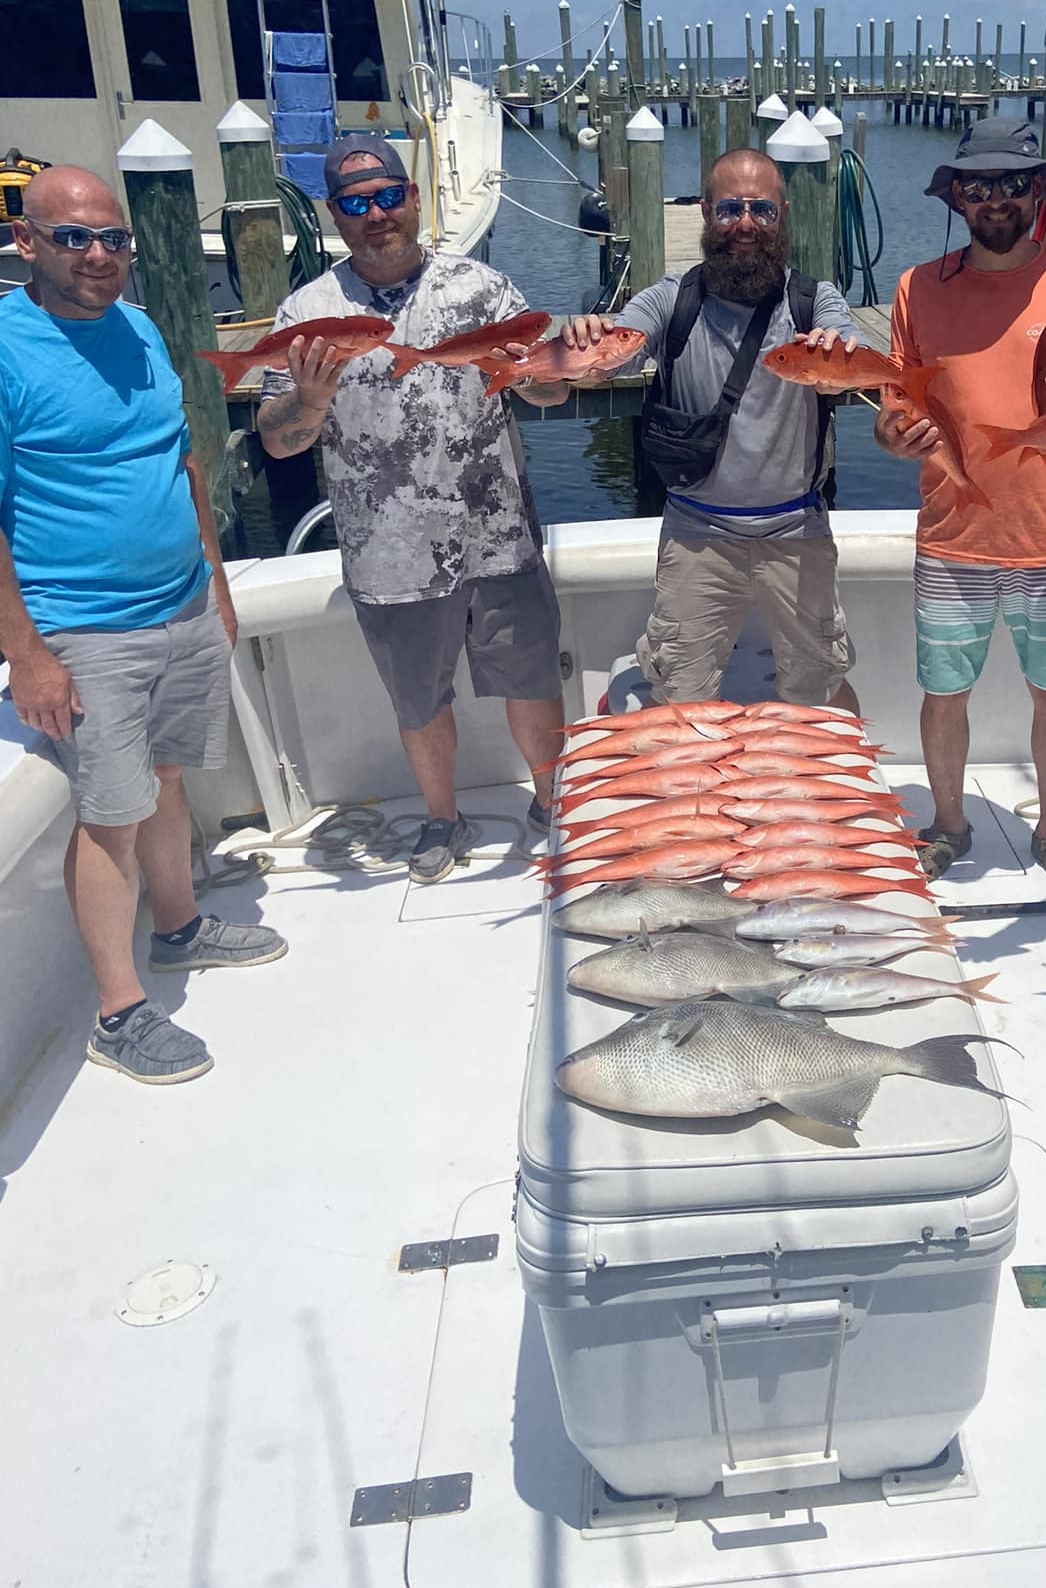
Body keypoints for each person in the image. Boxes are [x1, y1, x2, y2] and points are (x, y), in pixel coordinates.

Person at [1, 168, 287, 1086]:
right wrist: (27, 651)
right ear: (25, 242)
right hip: (83, 625)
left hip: (181, 602)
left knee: (166, 779)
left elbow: (183, 459)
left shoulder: (138, 323)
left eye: (112, 240)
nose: (98, 257)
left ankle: (181, 927)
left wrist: (213, 574)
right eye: (72, 239)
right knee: (111, 817)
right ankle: (119, 1015)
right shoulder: (7, 348)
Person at [257, 136, 567, 884]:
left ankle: (554, 807)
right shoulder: (308, 310)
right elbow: (277, 440)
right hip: (387, 551)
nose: (377, 215)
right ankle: (441, 818)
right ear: (335, 215)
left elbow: (555, 388)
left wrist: (525, 372)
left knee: (530, 678)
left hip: (497, 536)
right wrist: (311, 399)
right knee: (418, 698)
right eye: (357, 204)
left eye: (388, 196)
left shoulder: (483, 289)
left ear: (415, 197)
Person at [875, 118, 1046, 891]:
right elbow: (894, 406)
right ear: (957, 195)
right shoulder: (915, 287)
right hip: (952, 532)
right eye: (979, 185)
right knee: (943, 691)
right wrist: (893, 435)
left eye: (1013, 184)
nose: (996, 199)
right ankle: (949, 822)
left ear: (1039, 191)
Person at [561, 147, 862, 708]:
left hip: (797, 535)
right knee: (680, 696)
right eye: (729, 209)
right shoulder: (669, 300)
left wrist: (839, 358)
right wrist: (582, 343)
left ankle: (825, 791)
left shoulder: (814, 299)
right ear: (705, 212)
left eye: (760, 210)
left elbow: (847, 343)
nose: (745, 225)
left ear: (782, 214)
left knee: (819, 693)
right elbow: (615, 351)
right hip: (697, 536)